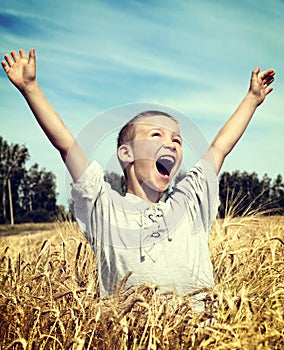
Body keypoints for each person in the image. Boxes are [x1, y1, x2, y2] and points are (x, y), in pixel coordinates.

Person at [1, 48, 275, 311]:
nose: (171, 143)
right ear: (126, 153)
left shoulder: (189, 205)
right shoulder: (105, 209)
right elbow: (67, 146)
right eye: (157, 135)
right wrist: (30, 89)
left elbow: (219, 148)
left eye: (177, 139)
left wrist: (251, 99)